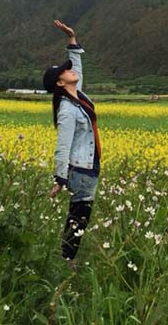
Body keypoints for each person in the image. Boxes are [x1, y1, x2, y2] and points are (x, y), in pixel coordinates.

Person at [44, 20, 101, 266]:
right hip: (80, 169)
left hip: (87, 166)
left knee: (80, 215)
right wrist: (60, 177)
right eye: (66, 72)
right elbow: (62, 146)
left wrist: (72, 40)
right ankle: (67, 260)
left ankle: (67, 257)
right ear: (60, 82)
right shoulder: (67, 110)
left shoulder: (79, 96)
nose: (71, 71)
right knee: (79, 216)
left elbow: (77, 68)